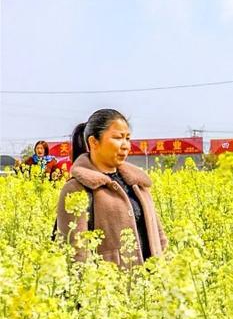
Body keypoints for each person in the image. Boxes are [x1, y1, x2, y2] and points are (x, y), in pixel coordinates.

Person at [56, 109, 167, 267]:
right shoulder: (77, 188)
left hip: (151, 285)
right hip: (110, 287)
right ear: (94, 142)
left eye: (127, 138)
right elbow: (75, 252)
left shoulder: (138, 184)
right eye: (117, 138)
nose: (125, 145)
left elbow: (159, 237)